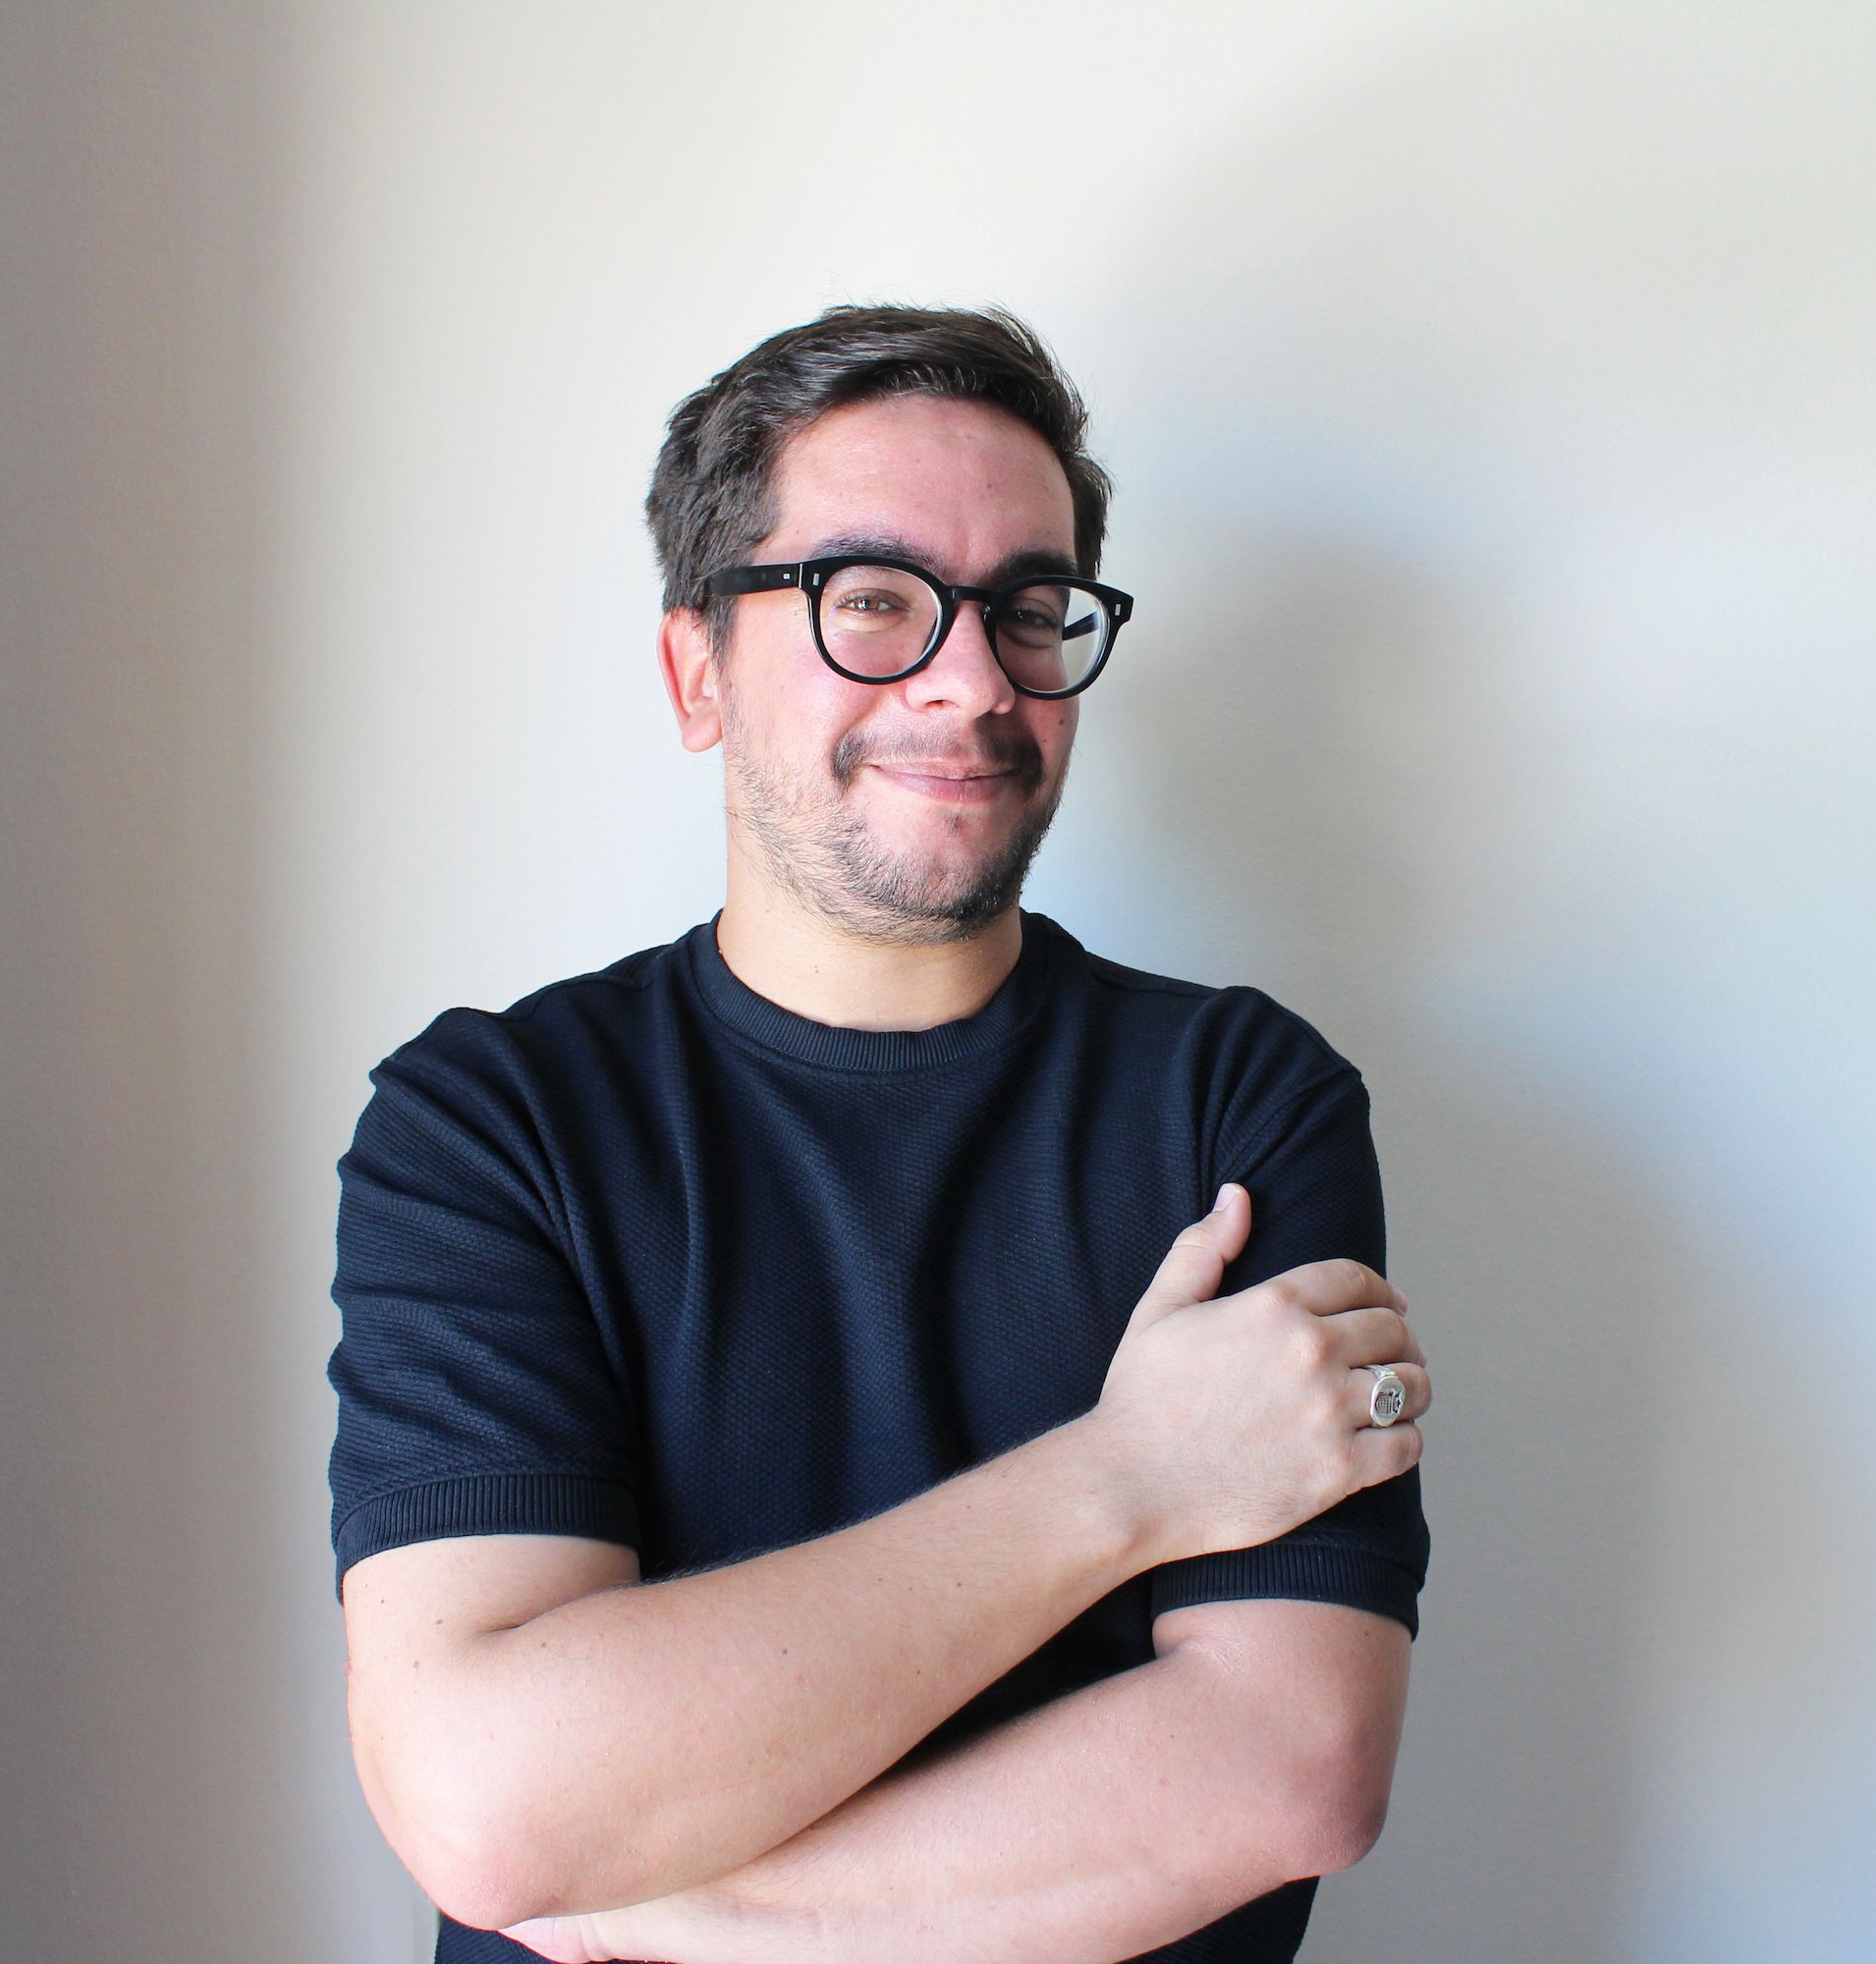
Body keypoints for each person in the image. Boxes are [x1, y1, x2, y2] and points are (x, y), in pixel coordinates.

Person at [327, 303, 1434, 1964]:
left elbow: (1289, 1774)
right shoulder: (491, 1124)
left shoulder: (1239, 1099)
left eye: (1029, 608)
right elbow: (496, 1800)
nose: (974, 677)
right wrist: (1130, 1476)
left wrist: (653, 1893)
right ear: (697, 670)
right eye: (873, 603)